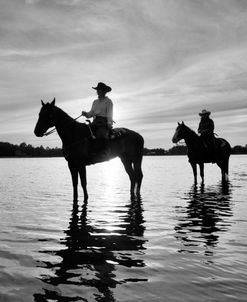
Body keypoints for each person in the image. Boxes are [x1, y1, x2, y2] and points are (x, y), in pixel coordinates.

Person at [81, 82, 113, 157]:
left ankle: (105, 152)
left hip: (103, 122)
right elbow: (91, 113)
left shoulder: (108, 101)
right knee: (85, 133)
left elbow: (109, 114)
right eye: (97, 90)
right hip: (95, 122)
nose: (97, 91)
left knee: (101, 134)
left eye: (99, 90)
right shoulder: (95, 102)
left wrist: (109, 123)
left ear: (104, 91)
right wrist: (86, 114)